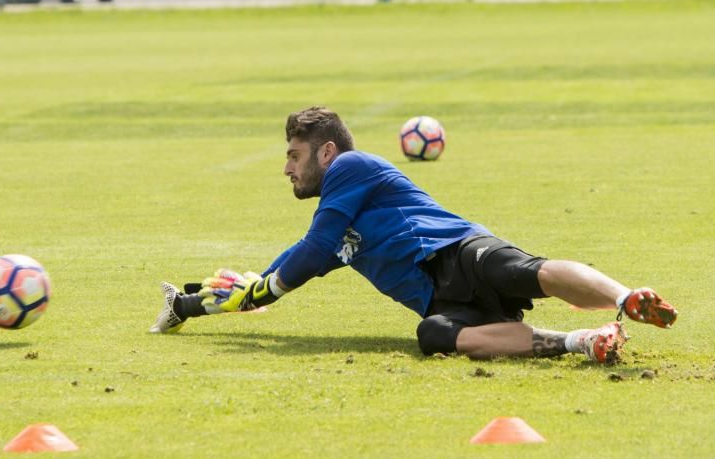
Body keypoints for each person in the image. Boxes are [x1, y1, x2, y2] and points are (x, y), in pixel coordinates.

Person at [150, 106, 677, 364]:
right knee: (433, 337)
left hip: (457, 251)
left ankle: (626, 297)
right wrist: (220, 299)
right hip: (438, 297)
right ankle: (580, 342)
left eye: (293, 155)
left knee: (523, 271)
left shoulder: (351, 167)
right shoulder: (334, 228)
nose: (288, 169)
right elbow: (299, 257)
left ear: (326, 152)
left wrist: (267, 288)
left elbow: (308, 254)